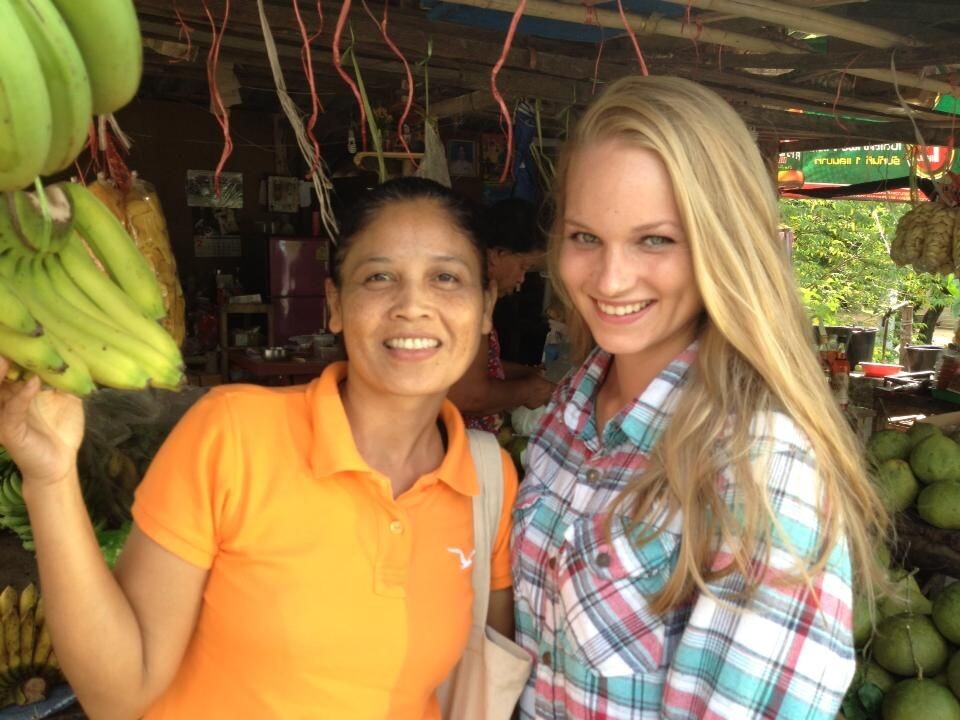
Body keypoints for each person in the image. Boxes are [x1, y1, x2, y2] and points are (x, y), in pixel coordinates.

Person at [0, 177, 518, 719]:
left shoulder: (489, 480)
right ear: (335, 304)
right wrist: (51, 479)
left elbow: (488, 678)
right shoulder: (233, 433)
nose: (413, 305)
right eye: (379, 277)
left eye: (446, 277)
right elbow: (119, 694)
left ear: (486, 307)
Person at [512, 75, 888, 719]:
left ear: (725, 244)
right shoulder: (571, 406)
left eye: (655, 239)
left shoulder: (758, 463)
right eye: (585, 237)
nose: (610, 279)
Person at [449, 198, 556, 433]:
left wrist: (524, 372)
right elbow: (471, 396)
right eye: (523, 267)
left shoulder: (479, 295)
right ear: (497, 254)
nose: (521, 280)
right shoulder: (471, 301)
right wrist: (528, 391)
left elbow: (478, 368)